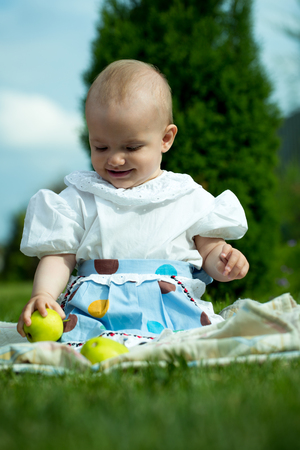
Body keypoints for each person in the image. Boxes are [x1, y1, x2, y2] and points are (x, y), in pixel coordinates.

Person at [17, 59, 249, 347]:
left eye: (131, 147)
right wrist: (44, 294)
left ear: (165, 138)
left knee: (192, 344)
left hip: (170, 311)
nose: (114, 158)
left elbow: (210, 248)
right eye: (100, 147)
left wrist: (224, 261)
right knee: (79, 346)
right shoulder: (81, 196)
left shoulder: (186, 196)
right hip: (95, 313)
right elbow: (58, 256)